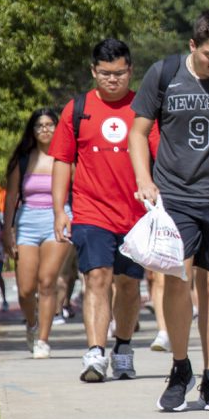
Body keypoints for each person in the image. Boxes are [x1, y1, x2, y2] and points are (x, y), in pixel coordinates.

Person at [130, 8, 209, 412]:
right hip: (177, 194)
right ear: (192, 45)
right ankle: (180, 368)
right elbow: (138, 131)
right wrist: (144, 180)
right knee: (178, 278)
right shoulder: (164, 74)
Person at [51, 38, 157, 383]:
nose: (113, 80)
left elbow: (160, 159)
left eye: (120, 73)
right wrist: (59, 210)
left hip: (136, 216)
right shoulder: (77, 108)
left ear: (131, 70)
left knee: (128, 284)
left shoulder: (144, 108)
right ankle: (95, 354)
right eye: (106, 73)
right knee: (96, 278)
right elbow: (63, 161)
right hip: (91, 211)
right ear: (93, 71)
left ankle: (123, 348)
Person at [1, 108, 71, 358]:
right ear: (32, 130)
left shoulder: (66, 157)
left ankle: (43, 340)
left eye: (50, 124)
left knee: (48, 280)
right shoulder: (23, 158)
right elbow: (10, 199)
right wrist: (7, 231)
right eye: (39, 125)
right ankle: (31, 324)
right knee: (26, 289)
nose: (45, 129)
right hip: (27, 222)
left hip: (58, 220)